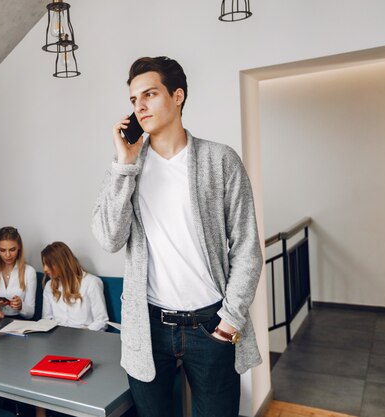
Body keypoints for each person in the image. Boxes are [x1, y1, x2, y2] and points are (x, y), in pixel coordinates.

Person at [91, 56, 263, 417]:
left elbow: (247, 248)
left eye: (150, 94)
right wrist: (124, 162)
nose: (139, 106)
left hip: (211, 326)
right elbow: (108, 238)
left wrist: (229, 322)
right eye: (134, 100)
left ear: (178, 96)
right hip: (148, 328)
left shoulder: (220, 160)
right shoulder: (128, 167)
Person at [41, 241, 109, 331]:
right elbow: (46, 319)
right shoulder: (49, 286)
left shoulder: (92, 283)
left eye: (49, 264)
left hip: (85, 337)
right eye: (44, 264)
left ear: (62, 263)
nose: (45, 269)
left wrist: (81, 336)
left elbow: (102, 322)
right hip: (57, 338)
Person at [0, 226, 37, 319]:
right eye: (2, 250)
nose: (8, 255)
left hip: (20, 322)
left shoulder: (29, 272)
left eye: (12, 249)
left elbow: (30, 313)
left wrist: (21, 306)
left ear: (19, 247)